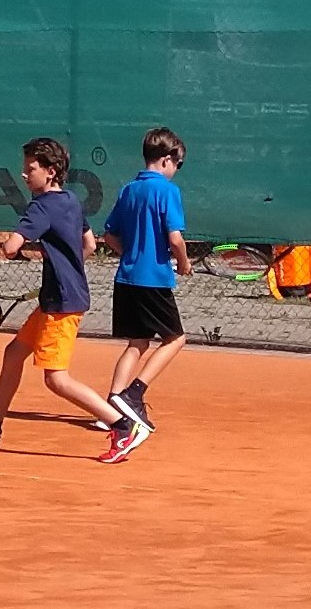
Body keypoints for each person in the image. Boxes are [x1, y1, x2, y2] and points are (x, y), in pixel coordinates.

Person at [0, 137, 148, 464]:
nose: (24, 175)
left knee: (56, 379)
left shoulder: (40, 207)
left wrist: (19, 252)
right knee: (14, 353)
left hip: (62, 305)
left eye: (31, 169)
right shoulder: (71, 200)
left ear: (50, 171)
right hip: (60, 297)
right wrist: (63, 270)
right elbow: (88, 245)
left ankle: (123, 425)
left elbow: (10, 247)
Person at [94, 127, 192, 438]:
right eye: (178, 164)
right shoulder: (167, 191)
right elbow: (175, 239)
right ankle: (133, 394)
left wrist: (133, 254)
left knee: (137, 343)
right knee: (175, 339)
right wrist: (183, 263)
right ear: (166, 159)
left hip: (126, 278)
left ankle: (111, 410)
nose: (176, 170)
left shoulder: (129, 190)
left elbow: (109, 235)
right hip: (153, 281)